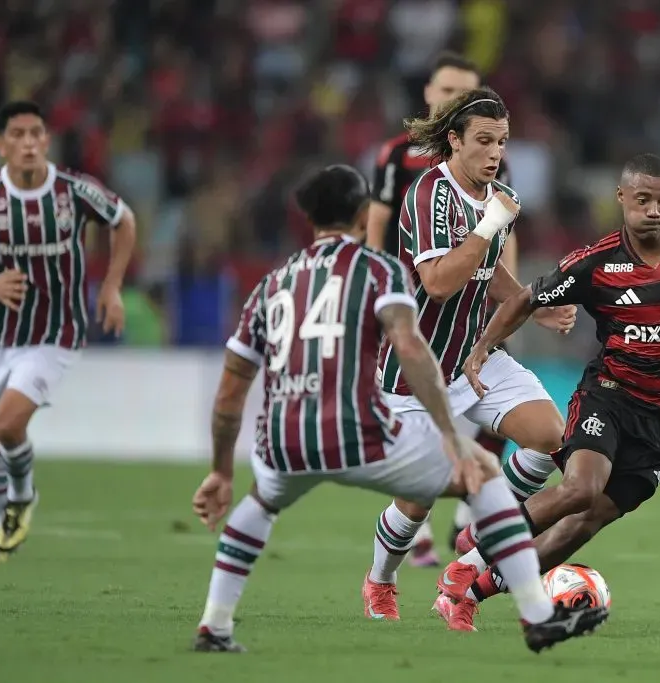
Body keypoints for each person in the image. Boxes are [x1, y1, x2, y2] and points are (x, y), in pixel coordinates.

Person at [188, 164, 606, 654]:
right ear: (365, 214)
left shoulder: (272, 283)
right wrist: (450, 437)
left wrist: (219, 469)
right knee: (476, 480)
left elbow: (231, 388)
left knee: (257, 508)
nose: (494, 152)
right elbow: (414, 341)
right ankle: (518, 610)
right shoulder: (379, 267)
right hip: (370, 417)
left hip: (288, 433)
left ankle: (214, 625)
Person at [433, 153, 660, 631]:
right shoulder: (596, 263)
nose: (654, 210)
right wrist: (481, 350)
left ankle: (470, 591)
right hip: (610, 396)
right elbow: (524, 299)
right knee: (580, 488)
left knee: (587, 520)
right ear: (621, 199)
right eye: (643, 200)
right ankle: (476, 548)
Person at [360, 86, 579, 621]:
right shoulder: (427, 195)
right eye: (483, 141)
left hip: (474, 358)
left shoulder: (496, 195)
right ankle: (380, 581)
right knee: (420, 495)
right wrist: (488, 225)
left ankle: (478, 535)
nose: (494, 153)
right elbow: (437, 282)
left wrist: (534, 305)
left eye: (501, 142)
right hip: (417, 369)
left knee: (555, 437)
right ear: (454, 141)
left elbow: (486, 275)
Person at [0, 100, 137, 562]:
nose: (28, 143)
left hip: (57, 333)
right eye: (18, 135)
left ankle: (23, 498)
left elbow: (124, 220)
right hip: (1, 335)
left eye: (36, 134)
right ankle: (2, 532)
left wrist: (111, 287)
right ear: (0, 145)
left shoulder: (74, 190)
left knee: (10, 424)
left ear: (46, 140)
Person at [367, 51, 515, 566]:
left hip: (470, 302)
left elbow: (498, 243)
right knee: (424, 455)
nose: (456, 99)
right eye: (449, 90)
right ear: (431, 95)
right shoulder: (400, 161)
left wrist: (520, 303)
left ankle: (468, 524)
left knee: (515, 427)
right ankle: (413, 528)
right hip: (414, 306)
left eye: (467, 92)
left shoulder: (489, 158)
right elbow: (378, 225)